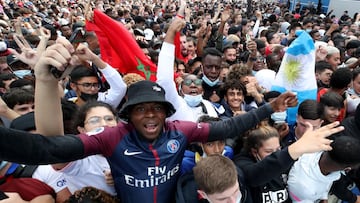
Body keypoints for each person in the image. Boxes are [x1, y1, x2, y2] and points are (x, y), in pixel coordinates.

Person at [234, 123, 343, 203]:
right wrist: (295, 149)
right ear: (254, 151)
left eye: (278, 150)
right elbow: (253, 176)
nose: (275, 155)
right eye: (268, 151)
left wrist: (322, 195)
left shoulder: (286, 158)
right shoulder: (242, 162)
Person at [287, 135, 360, 202]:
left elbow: (327, 183)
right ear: (347, 169)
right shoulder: (305, 189)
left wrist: (324, 198)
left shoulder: (316, 149)